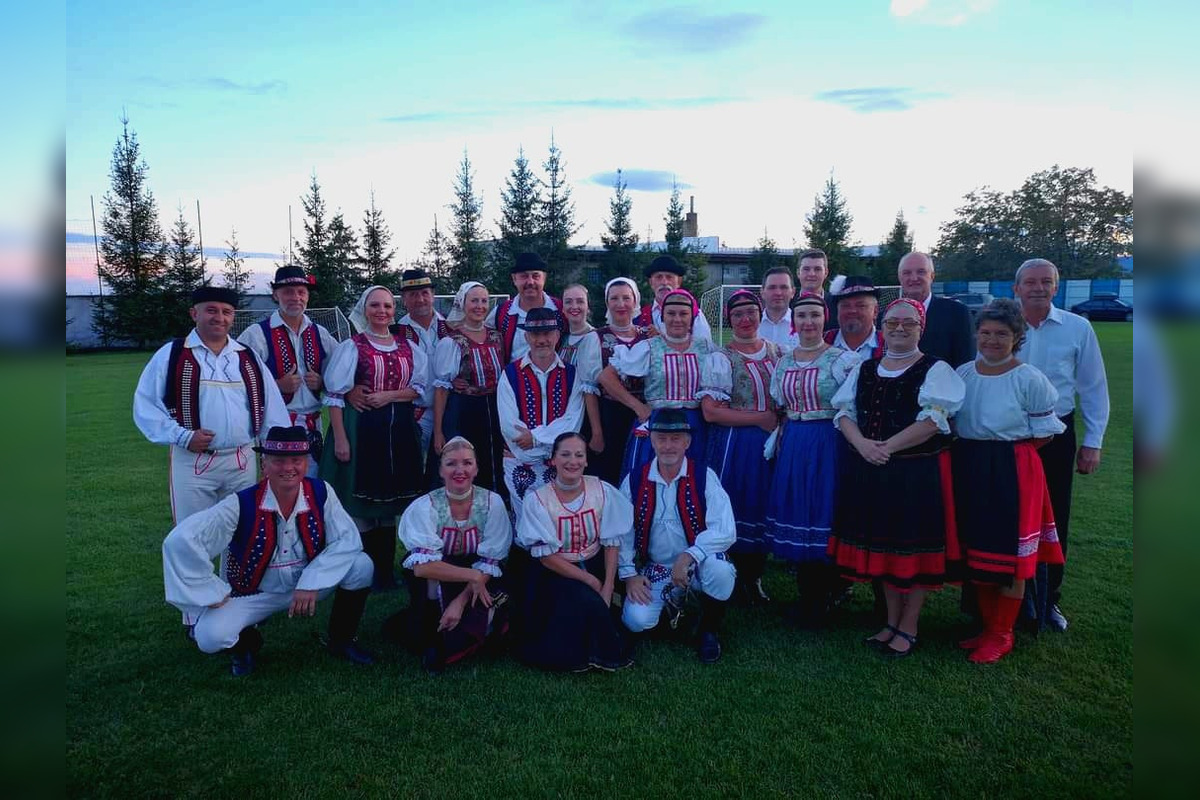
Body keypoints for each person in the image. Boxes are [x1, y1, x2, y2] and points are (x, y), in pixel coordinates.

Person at [162, 426, 375, 676]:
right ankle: (247, 644)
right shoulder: (240, 504)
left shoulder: (321, 492)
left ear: (306, 464)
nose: (288, 468)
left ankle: (342, 640)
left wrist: (312, 581)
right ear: (264, 465)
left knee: (362, 566)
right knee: (208, 637)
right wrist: (212, 592)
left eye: (296, 461)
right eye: (278, 461)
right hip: (254, 594)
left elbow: (347, 539)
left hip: (307, 585)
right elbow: (180, 541)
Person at [827, 298, 966, 657]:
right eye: (892, 323)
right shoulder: (866, 368)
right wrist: (862, 444)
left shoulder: (936, 369)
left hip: (914, 473)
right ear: (883, 326)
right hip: (871, 467)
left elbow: (933, 420)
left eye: (909, 323)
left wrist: (886, 446)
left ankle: (910, 625)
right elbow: (844, 412)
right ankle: (890, 621)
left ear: (922, 328)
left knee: (913, 552)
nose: (900, 329)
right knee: (885, 550)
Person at [952, 299, 1066, 663]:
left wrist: (1007, 455)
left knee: (1010, 555)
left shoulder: (1029, 379)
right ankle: (987, 627)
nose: (992, 340)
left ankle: (1002, 633)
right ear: (976, 334)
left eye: (1001, 334)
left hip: (1014, 467)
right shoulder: (964, 374)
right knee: (979, 548)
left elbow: (1045, 432)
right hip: (970, 463)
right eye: (985, 333)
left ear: (1017, 337)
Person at [134, 285, 290, 530]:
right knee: (191, 535)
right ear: (194, 314)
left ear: (233, 317)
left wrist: (274, 455)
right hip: (193, 461)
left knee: (242, 532)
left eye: (226, 312)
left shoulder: (247, 356)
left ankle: (232, 572)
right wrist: (183, 436)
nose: (219, 317)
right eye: (211, 310)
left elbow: (273, 408)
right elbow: (146, 406)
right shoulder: (173, 354)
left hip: (242, 461)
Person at [1012, 258, 1110, 631]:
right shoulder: (1001, 325)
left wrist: (1093, 442)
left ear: (1056, 286)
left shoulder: (1077, 328)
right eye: (1030, 282)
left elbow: (1093, 387)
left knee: (1052, 518)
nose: (1038, 288)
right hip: (1006, 434)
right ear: (1016, 288)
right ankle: (1002, 600)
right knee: (1004, 514)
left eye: (1045, 282)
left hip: (1055, 434)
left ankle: (1049, 599)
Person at [320, 285, 428, 591]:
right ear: (364, 310)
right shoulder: (353, 346)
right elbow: (335, 395)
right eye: (375, 306)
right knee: (363, 502)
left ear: (394, 311)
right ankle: (367, 569)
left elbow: (420, 390)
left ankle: (385, 570)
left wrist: (388, 396)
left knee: (389, 504)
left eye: (387, 307)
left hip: (398, 432)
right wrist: (340, 439)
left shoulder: (408, 347)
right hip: (361, 429)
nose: (382, 311)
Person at [765, 292, 861, 627]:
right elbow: (779, 403)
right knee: (800, 509)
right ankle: (807, 595)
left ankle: (828, 594)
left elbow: (851, 407)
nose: (808, 322)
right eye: (802, 316)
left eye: (814, 316)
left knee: (824, 511)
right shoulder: (785, 360)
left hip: (828, 441)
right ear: (794, 322)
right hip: (795, 439)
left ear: (825, 320)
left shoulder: (842, 360)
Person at [618, 409, 736, 663]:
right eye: (661, 438)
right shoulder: (635, 479)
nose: (668, 446)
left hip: (697, 564)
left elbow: (726, 529)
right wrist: (629, 575)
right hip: (656, 567)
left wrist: (689, 555)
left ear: (687, 442)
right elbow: (621, 531)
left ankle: (709, 629)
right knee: (635, 621)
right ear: (651, 440)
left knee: (721, 570)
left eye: (675, 439)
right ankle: (677, 612)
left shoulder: (704, 476)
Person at [517, 432, 634, 672]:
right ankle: (584, 654)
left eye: (579, 455)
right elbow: (546, 557)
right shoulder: (538, 500)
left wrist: (608, 584)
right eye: (565, 455)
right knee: (582, 600)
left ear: (587, 460)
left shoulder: (602, 490)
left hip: (596, 561)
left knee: (609, 602)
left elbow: (612, 541)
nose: (573, 461)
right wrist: (589, 579)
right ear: (553, 460)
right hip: (556, 570)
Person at [395, 436, 512, 674]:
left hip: (480, 571)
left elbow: (491, 560)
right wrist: (472, 576)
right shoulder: (424, 506)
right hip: (439, 571)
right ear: (440, 470)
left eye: (467, 463)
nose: (460, 470)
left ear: (477, 468)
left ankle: (458, 632)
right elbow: (422, 567)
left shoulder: (492, 503)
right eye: (451, 464)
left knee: (490, 609)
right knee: (433, 590)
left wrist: (461, 599)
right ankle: (433, 636)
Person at [699, 290, 781, 604]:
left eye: (750, 312)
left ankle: (754, 577)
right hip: (736, 442)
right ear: (729, 320)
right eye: (737, 315)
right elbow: (711, 411)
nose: (745, 320)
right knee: (735, 504)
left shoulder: (778, 352)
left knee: (764, 504)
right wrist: (759, 418)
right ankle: (729, 573)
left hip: (772, 442)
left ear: (760, 315)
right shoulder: (722, 357)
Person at [598, 288, 715, 480]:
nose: (677, 319)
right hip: (658, 423)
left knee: (693, 481)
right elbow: (606, 376)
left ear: (692, 317)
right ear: (662, 316)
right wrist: (638, 407)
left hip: (694, 425)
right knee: (649, 480)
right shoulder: (649, 347)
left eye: (683, 314)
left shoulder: (705, 347)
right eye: (671, 313)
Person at [237, 265, 337, 476]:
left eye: (301, 292)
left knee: (311, 484)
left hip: (312, 425)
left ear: (308, 296)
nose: (295, 297)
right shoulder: (256, 334)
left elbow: (339, 375)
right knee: (280, 484)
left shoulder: (320, 333)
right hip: (275, 425)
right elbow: (238, 382)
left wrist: (322, 382)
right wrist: (276, 385)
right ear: (275, 295)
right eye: (288, 292)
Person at [496, 307, 585, 524]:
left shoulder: (573, 374)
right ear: (526, 337)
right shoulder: (510, 373)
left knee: (560, 520)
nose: (542, 340)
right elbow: (509, 426)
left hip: (560, 463)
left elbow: (572, 421)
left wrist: (537, 441)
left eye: (547, 334)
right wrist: (541, 450)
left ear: (557, 335)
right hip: (520, 461)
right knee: (526, 522)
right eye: (536, 334)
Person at [429, 281, 507, 499]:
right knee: (465, 462)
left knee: (493, 462)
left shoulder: (496, 337)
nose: (480, 306)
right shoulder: (452, 342)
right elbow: (442, 389)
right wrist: (438, 432)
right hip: (463, 411)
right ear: (462, 304)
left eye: (484, 301)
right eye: (474, 300)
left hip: (494, 411)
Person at [589, 277, 657, 485]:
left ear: (635, 301)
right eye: (614, 298)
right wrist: (597, 432)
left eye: (626, 298)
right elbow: (589, 390)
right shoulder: (596, 337)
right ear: (607, 302)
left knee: (640, 468)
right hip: (610, 414)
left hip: (645, 413)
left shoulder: (648, 336)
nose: (621, 304)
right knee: (611, 470)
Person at [393, 267, 445, 457]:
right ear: (404, 300)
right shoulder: (394, 333)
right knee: (411, 467)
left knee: (446, 470)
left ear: (433, 295)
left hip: (448, 411)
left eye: (425, 293)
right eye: (413, 294)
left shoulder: (451, 327)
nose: (420, 299)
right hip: (413, 412)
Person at [486, 251, 566, 364]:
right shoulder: (500, 313)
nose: (530, 282)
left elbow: (582, 332)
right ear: (514, 279)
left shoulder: (561, 310)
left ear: (544, 278)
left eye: (535, 276)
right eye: (524, 276)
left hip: (556, 380)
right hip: (512, 380)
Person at [897, 251, 975, 368]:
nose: (913, 278)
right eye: (907, 273)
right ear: (900, 278)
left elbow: (965, 365)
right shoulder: (887, 317)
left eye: (921, 272)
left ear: (932, 276)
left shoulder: (957, 313)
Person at [558, 283, 605, 465]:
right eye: (568, 302)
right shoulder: (561, 338)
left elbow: (592, 387)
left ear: (588, 306)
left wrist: (597, 431)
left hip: (588, 415)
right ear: (562, 307)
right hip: (565, 413)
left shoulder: (596, 338)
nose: (574, 306)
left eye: (580, 301)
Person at [634, 254, 714, 343]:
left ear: (679, 282)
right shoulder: (640, 316)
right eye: (659, 277)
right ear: (651, 282)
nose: (664, 282)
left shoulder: (695, 314)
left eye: (669, 277)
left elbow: (704, 348)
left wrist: (662, 339)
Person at [823, 276, 884, 359]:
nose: (852, 311)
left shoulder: (889, 345)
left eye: (861, 305)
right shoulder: (823, 341)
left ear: (875, 311)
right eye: (845, 305)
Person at [794, 248, 838, 331]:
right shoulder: (788, 304)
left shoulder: (836, 305)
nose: (811, 274)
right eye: (806, 269)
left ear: (826, 273)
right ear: (798, 273)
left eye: (817, 269)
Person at [757, 267, 798, 348]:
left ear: (793, 292)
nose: (778, 293)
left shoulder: (802, 326)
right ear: (762, 292)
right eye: (772, 287)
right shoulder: (753, 326)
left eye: (784, 287)